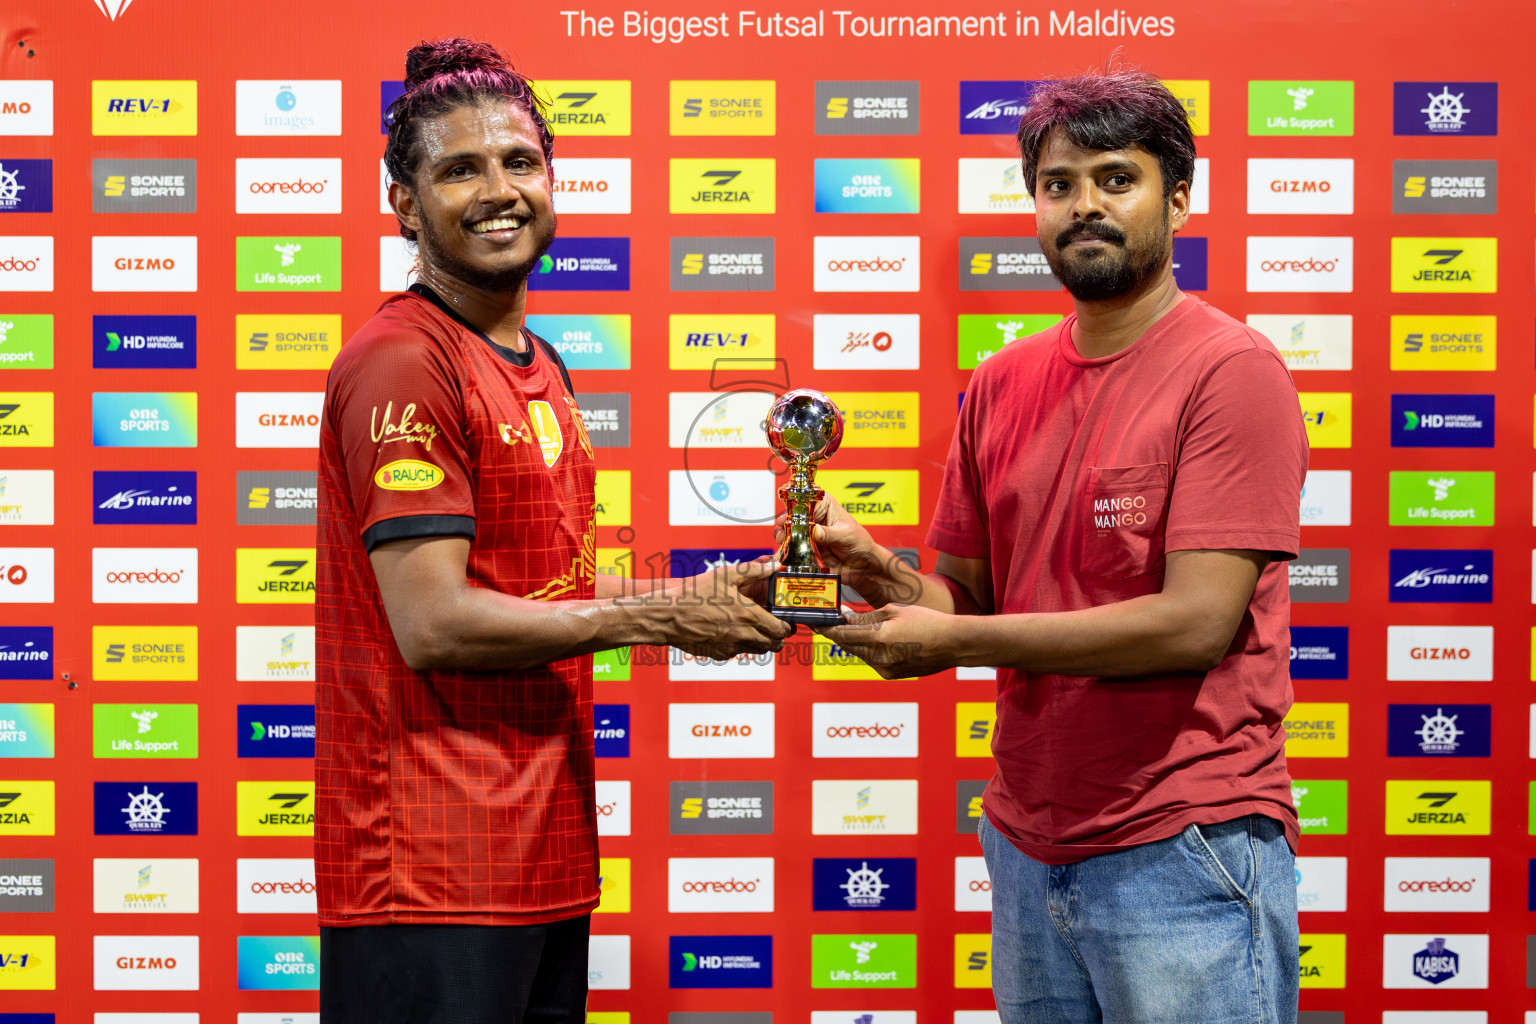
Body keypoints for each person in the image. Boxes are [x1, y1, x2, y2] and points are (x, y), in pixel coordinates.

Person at [810, 70, 1308, 1023]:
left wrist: (949, 642)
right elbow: (964, 597)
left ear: (1180, 199)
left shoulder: (1232, 372)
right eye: (1058, 183)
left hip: (1184, 839)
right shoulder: (1001, 380)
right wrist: (881, 574)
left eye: (1117, 179)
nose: (1084, 205)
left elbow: (1193, 626)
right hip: (1027, 841)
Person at [314, 38, 793, 1024]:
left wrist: (694, 597)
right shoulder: (405, 362)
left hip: (538, 852)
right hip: (429, 869)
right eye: (460, 169)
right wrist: (659, 622)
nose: (498, 190)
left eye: (518, 162)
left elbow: (543, 593)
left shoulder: (542, 361)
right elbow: (435, 623)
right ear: (405, 206)